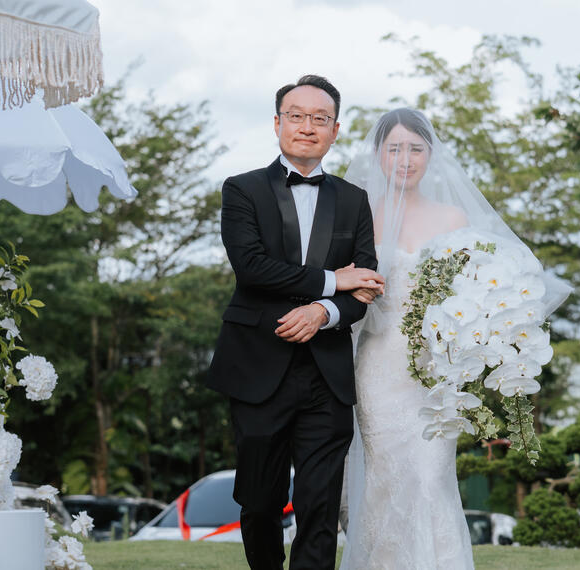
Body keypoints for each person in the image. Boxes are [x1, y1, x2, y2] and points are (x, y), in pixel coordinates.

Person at [339, 108, 570, 569]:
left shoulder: (452, 217)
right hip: (377, 367)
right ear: (378, 154)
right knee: (384, 478)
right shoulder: (357, 214)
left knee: (430, 477)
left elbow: (481, 284)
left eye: (416, 149)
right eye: (394, 148)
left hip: (434, 371)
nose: (405, 159)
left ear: (431, 154)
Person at [206, 74, 383, 570]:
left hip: (326, 376)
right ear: (278, 123)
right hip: (257, 368)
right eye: (297, 116)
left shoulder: (354, 200)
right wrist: (332, 282)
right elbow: (252, 268)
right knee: (259, 502)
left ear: (335, 130)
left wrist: (323, 311)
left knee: (319, 505)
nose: (308, 127)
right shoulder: (241, 189)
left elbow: (364, 287)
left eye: (320, 119)